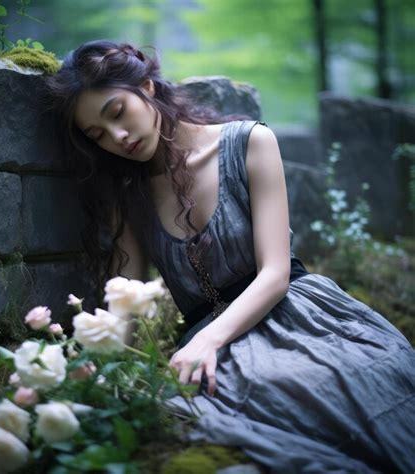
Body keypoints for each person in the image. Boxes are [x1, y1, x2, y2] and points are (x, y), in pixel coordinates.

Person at [45, 40, 415, 473]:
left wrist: (208, 338)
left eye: (116, 113)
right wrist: (103, 368)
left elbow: (276, 273)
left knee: (353, 383)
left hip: (299, 314)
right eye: (98, 136)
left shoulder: (249, 142)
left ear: (146, 87)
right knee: (270, 398)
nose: (118, 137)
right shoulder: (129, 194)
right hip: (221, 354)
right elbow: (125, 297)